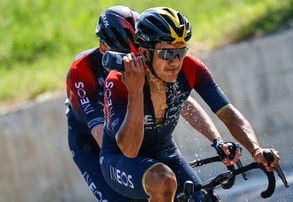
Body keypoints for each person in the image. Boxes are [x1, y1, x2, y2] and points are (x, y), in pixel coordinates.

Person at [100, 7, 281, 202]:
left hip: (166, 153)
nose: (176, 62)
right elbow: (129, 149)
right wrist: (135, 91)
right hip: (121, 160)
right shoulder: (119, 80)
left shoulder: (190, 68)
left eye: (180, 51)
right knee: (163, 181)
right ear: (144, 53)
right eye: (167, 54)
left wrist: (255, 150)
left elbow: (229, 114)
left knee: (203, 199)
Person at [66, 5, 234, 202]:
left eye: (137, 50)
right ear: (104, 48)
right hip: (95, 146)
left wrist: (216, 141)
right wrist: (141, 169)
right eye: (124, 52)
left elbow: (183, 102)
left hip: (133, 134)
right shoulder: (82, 70)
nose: (133, 59)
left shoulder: (144, 58)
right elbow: (100, 133)